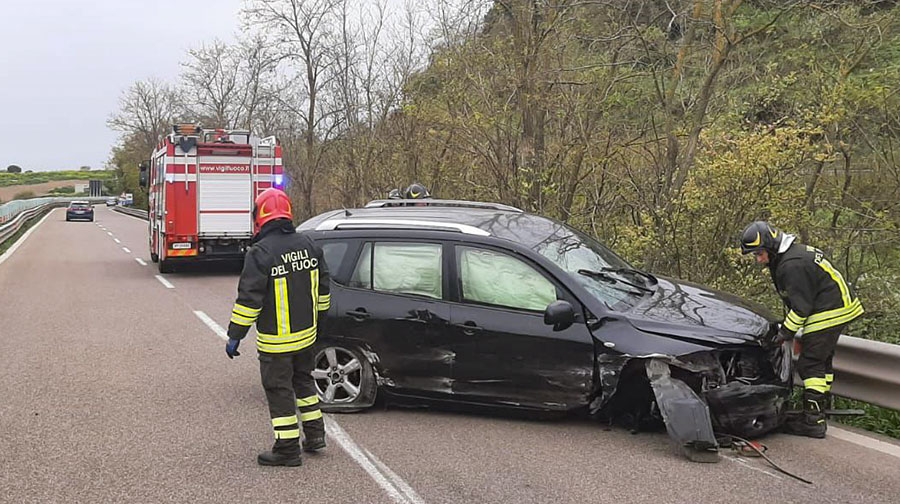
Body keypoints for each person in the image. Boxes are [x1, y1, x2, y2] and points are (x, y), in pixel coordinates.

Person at [225, 188, 331, 466]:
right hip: (308, 336)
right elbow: (324, 291)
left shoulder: (260, 253)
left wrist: (235, 335)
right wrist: (319, 322)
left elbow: (249, 301)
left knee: (279, 389)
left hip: (277, 341)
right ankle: (315, 436)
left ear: (260, 216)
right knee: (305, 382)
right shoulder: (309, 244)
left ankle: (287, 450)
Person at [740, 221, 863, 438]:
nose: (758, 260)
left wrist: (783, 334)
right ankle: (815, 411)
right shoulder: (793, 255)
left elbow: (801, 309)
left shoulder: (791, 265)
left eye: (759, 253)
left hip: (829, 310)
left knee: (810, 363)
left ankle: (813, 422)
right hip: (837, 306)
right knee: (821, 361)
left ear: (770, 246)